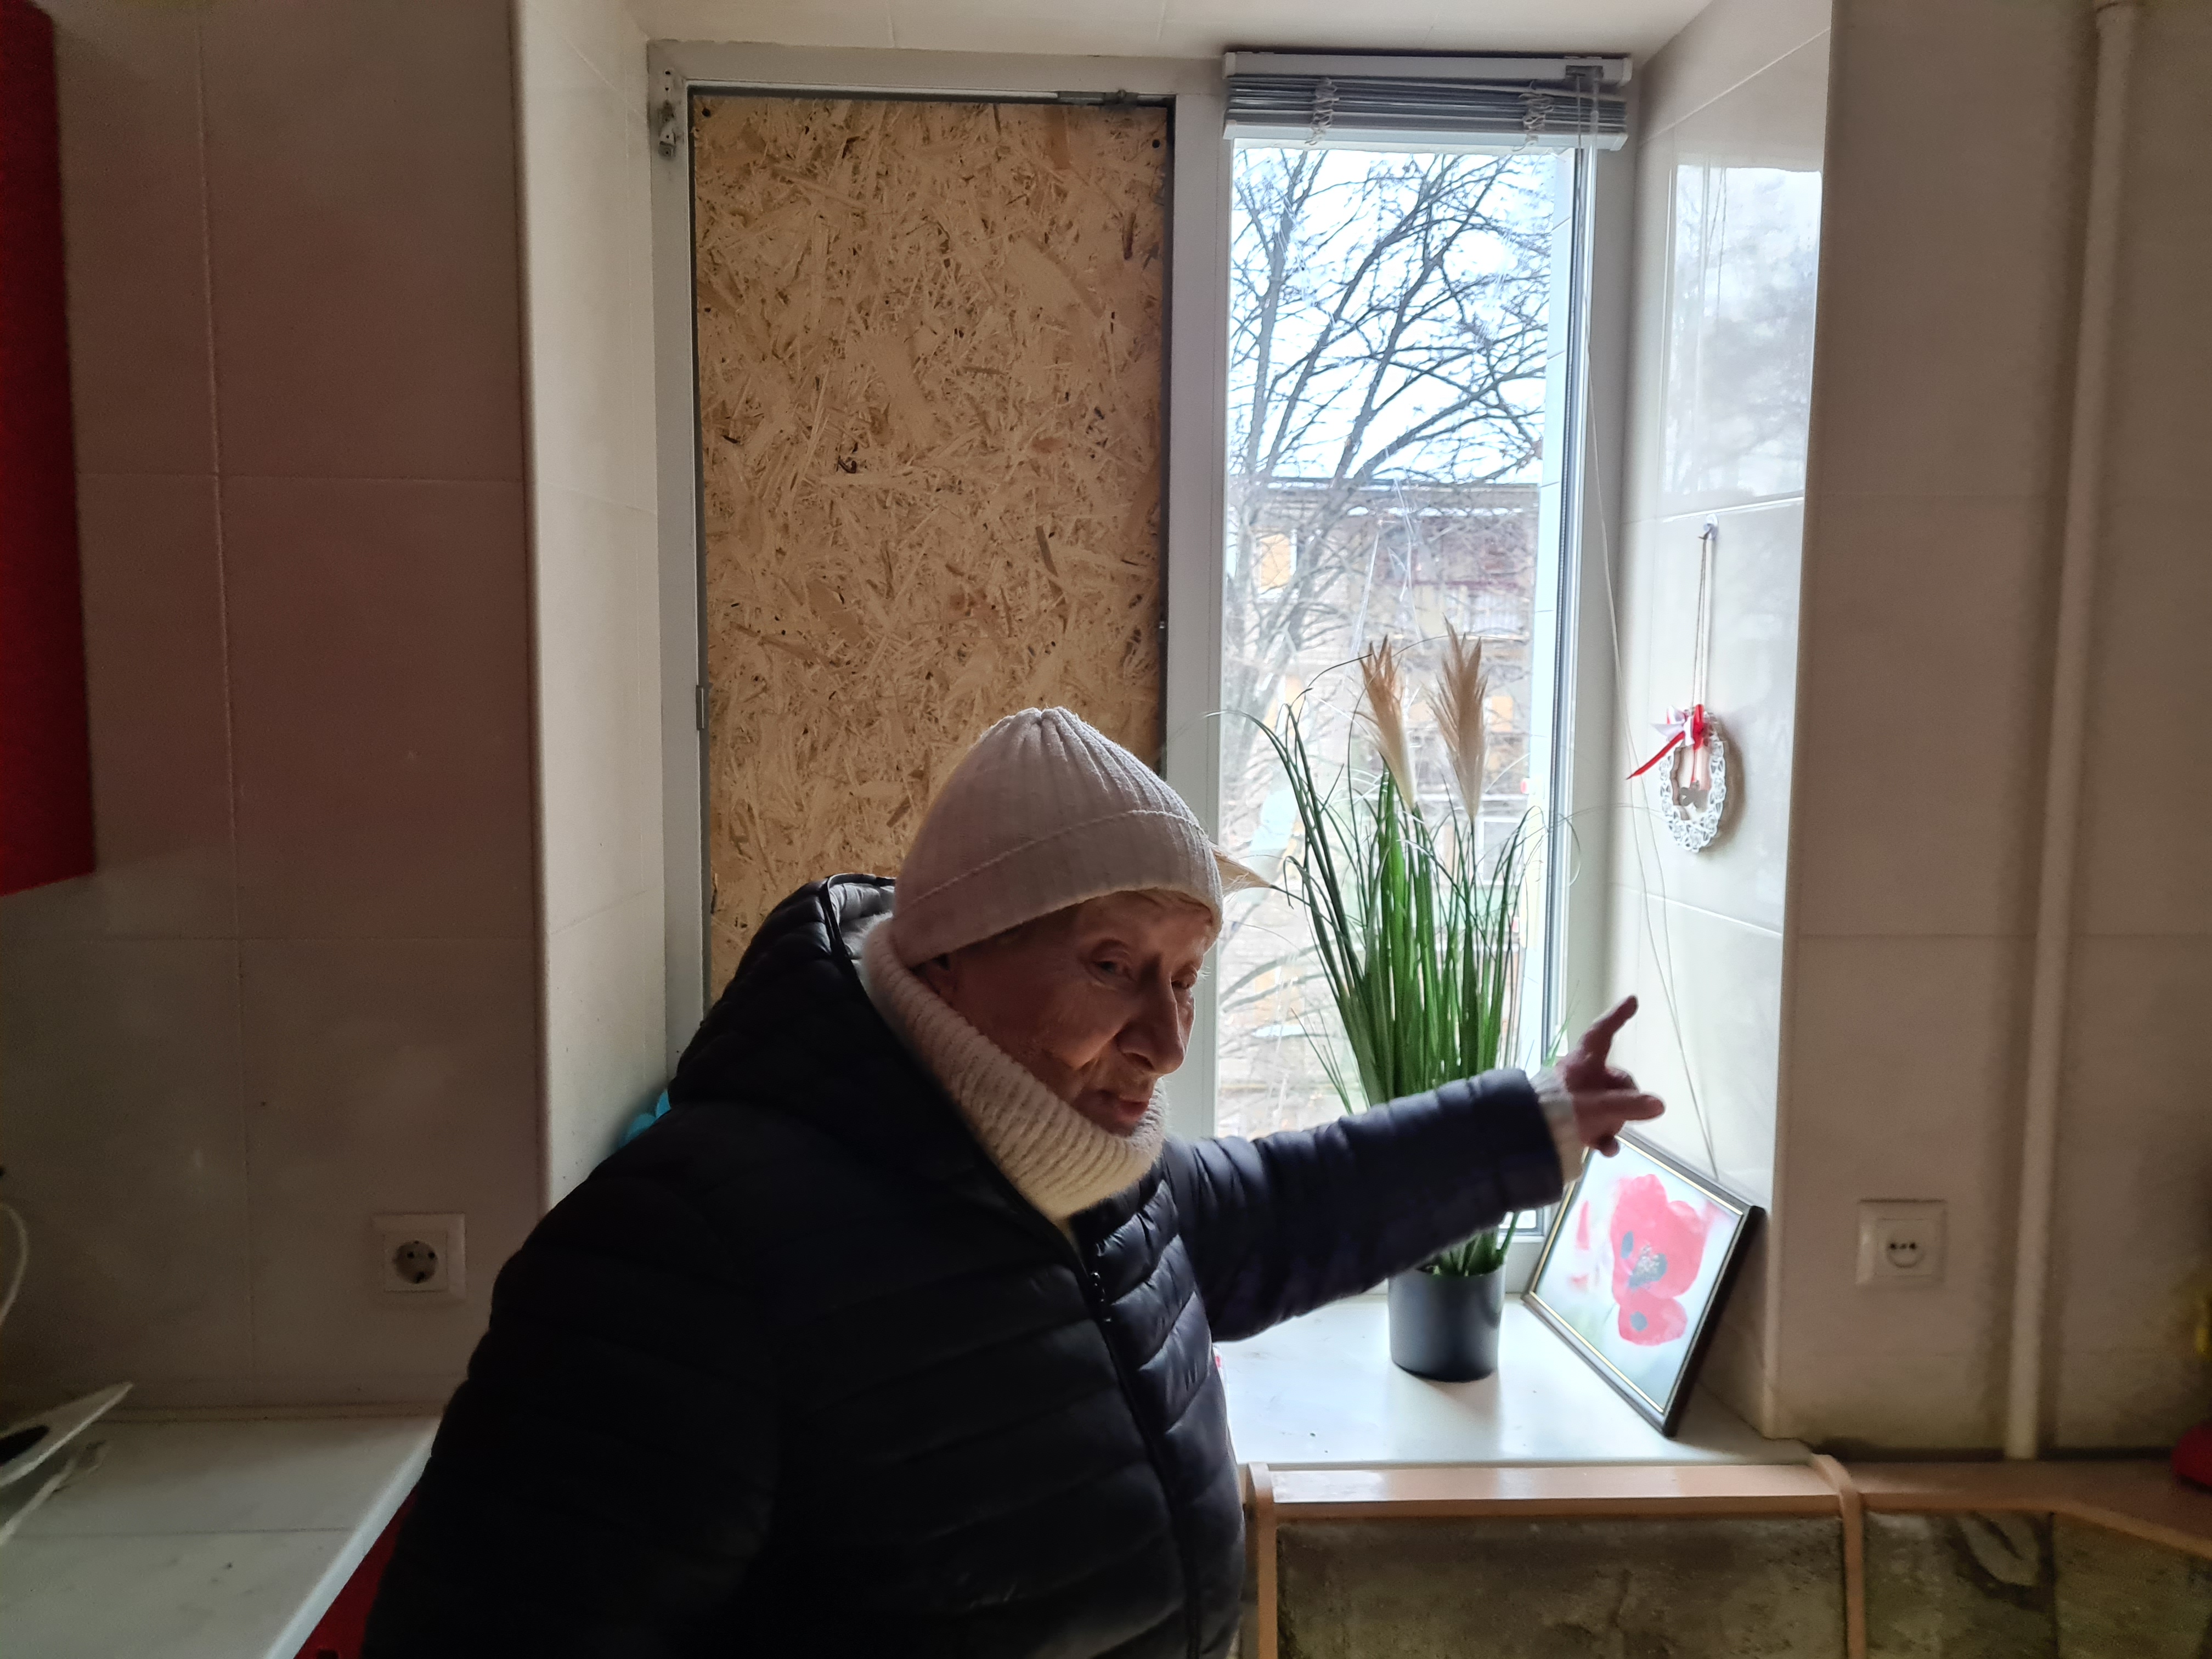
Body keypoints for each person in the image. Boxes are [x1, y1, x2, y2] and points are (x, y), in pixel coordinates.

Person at [364, 708, 1662, 1658]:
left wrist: (1535, 1121)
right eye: (1111, 964)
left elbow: (1285, 1209)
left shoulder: (1093, 1182)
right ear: (948, 958)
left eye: (1186, 974)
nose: (1167, 1039)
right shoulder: (684, 1254)